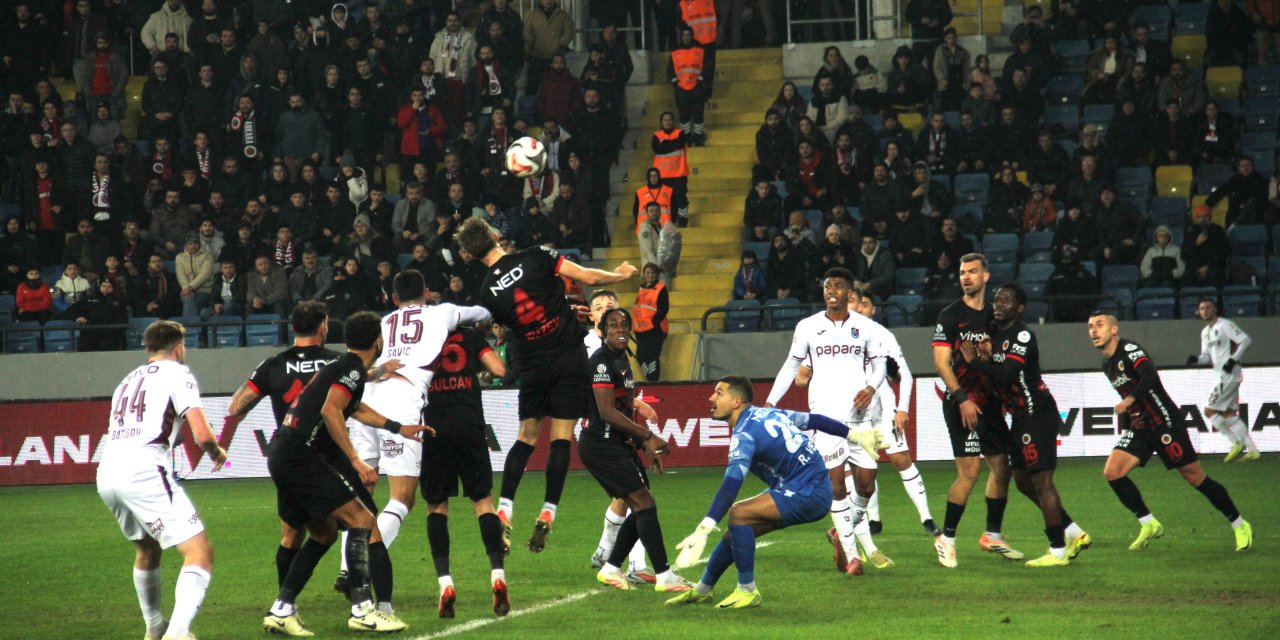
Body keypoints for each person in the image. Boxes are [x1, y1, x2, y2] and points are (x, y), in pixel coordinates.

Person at [455, 217, 636, 553]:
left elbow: (513, 317)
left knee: (526, 436)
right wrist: (620, 275)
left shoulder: (486, 293)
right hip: (568, 356)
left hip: (532, 363)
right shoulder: (537, 256)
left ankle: (505, 507)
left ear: (470, 254)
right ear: (496, 236)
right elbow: (588, 277)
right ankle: (548, 510)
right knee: (561, 438)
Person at [261, 312, 433, 634]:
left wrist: (398, 427)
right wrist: (356, 461)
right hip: (301, 457)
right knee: (364, 520)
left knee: (324, 534)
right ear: (378, 341)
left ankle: (282, 610)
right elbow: (331, 410)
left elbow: (354, 408)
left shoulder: (342, 366)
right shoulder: (351, 368)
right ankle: (363, 610)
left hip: (283, 454)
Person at [337, 270, 493, 598]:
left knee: (360, 492)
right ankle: (357, 567)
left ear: (393, 298)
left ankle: (343, 566)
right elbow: (482, 312)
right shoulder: (442, 312)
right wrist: (485, 320)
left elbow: (366, 364)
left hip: (366, 399)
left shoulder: (384, 321)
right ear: (426, 292)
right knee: (402, 497)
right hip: (402, 402)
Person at [666, 375, 883, 608]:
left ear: (737, 401)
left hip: (808, 492)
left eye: (719, 393)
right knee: (737, 530)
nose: (711, 397)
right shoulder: (771, 413)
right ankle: (703, 589)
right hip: (802, 485)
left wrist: (704, 528)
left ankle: (747, 591)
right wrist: (856, 436)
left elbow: (731, 484)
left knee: (738, 514)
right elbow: (816, 420)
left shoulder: (745, 434)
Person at [96, 320, 226, 640]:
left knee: (148, 550)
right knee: (200, 552)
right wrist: (216, 452)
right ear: (179, 348)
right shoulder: (178, 373)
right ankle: (178, 634)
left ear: (148, 348)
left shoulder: (127, 379)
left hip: (108, 470)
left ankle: (155, 627)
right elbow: (201, 431)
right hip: (143, 468)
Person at [219, 301, 342, 636]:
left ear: (292, 329)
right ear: (323, 327)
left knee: (291, 535)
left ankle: (287, 607)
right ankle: (360, 604)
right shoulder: (335, 361)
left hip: (286, 456)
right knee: (343, 527)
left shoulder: (273, 363)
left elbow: (235, 406)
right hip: (322, 458)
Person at [1087, 312, 1254, 552]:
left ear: (1114, 330)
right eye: (1091, 326)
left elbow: (1150, 376)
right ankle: (1149, 523)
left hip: (1165, 422)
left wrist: (1132, 398)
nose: (1094, 330)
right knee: (1113, 472)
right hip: (1141, 427)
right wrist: (1127, 420)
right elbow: (1126, 399)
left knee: (1195, 477)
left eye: (1099, 325)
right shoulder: (1106, 364)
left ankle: (1240, 525)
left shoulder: (1130, 349)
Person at [765, 268, 891, 575]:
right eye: (827, 285)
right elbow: (791, 366)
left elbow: (880, 365)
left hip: (859, 418)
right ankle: (852, 555)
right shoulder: (807, 327)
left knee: (866, 484)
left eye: (838, 286)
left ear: (849, 293)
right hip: (824, 417)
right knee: (836, 484)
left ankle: (841, 531)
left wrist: (871, 388)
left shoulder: (865, 327)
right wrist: (770, 402)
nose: (831, 290)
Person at [957, 283, 1091, 567]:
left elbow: (1005, 375)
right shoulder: (995, 335)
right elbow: (996, 373)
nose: (999, 303)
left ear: (1019, 308)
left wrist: (976, 363)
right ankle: (1072, 532)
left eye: (1007, 300)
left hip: (1037, 413)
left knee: (1043, 481)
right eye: (997, 299)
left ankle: (1057, 551)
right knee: (1022, 482)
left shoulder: (1022, 335)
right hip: (1019, 417)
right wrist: (984, 358)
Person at [587, 307, 695, 594]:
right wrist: (649, 435)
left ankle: (611, 568)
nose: (620, 329)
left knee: (642, 503)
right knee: (644, 502)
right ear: (602, 331)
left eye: (624, 324)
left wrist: (643, 444)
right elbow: (608, 412)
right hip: (601, 444)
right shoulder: (600, 363)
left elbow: (623, 410)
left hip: (616, 443)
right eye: (613, 325)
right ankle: (665, 575)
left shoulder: (621, 360)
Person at [930, 253, 1020, 568]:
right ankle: (947, 538)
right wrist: (962, 397)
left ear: (985, 276)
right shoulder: (950, 315)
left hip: (991, 404)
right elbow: (941, 363)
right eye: (962, 272)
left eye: (972, 272)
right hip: (962, 404)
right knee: (969, 473)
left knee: (1002, 468)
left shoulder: (996, 319)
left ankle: (992, 535)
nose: (966, 277)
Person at [422, 318, 512, 618]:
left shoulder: (421, 335)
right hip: (470, 425)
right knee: (483, 503)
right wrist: (477, 370)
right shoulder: (470, 336)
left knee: (437, 507)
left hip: (433, 427)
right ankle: (497, 576)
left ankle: (445, 583)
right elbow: (499, 369)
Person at [1187, 299, 1260, 462]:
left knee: (1209, 411)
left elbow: (1246, 340)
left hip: (1229, 374)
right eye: (1201, 308)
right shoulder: (1205, 331)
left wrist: (1233, 360)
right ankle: (1253, 450)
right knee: (1228, 414)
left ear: (1215, 309)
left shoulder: (1225, 325)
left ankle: (1235, 442)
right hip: (1220, 375)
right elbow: (1206, 357)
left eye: (1207, 307)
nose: (1204, 311)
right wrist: (1196, 361)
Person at [668, 27, 708, 147]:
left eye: (688, 35)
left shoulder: (699, 50)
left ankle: (698, 136)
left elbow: (705, 67)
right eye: (684, 35)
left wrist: (700, 80)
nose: (686, 38)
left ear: (692, 36)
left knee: (698, 114)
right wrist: (675, 83)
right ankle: (686, 138)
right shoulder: (675, 52)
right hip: (681, 89)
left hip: (696, 88)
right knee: (684, 115)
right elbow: (670, 70)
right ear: (681, 36)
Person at [633, 264, 669, 381]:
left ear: (657, 274)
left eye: (653, 273)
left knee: (652, 357)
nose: (650, 275)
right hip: (641, 330)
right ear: (644, 274)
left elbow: (663, 309)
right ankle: (650, 379)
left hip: (655, 330)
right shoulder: (641, 288)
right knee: (640, 356)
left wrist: (653, 323)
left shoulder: (661, 288)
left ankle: (653, 382)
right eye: (648, 273)